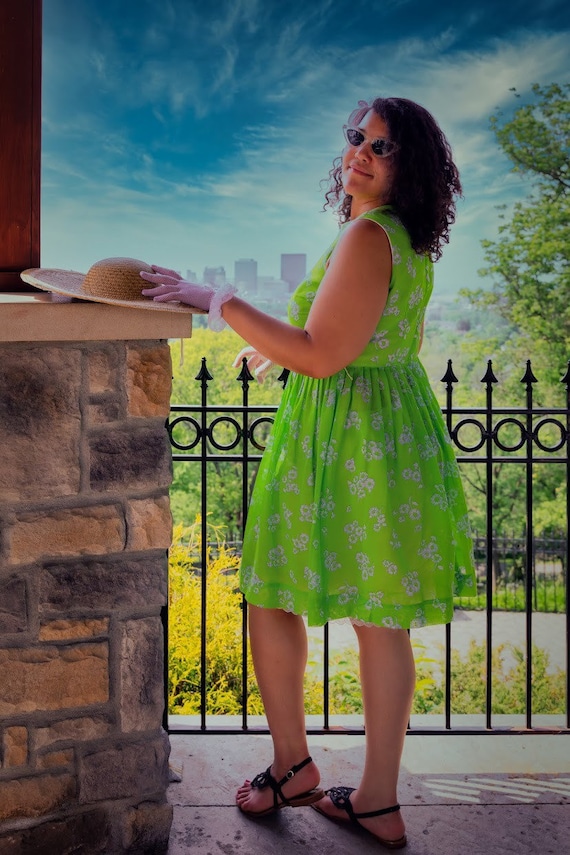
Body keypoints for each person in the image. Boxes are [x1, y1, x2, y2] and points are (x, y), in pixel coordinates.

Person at [141, 96, 476, 849]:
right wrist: (275, 345)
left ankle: (293, 765)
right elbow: (350, 333)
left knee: (268, 588)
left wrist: (218, 301)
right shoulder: (403, 239)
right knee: (381, 619)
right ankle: (378, 799)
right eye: (357, 137)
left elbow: (323, 354)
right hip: (391, 436)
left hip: (341, 438)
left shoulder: (364, 235)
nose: (360, 151)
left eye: (382, 147)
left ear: (409, 166)